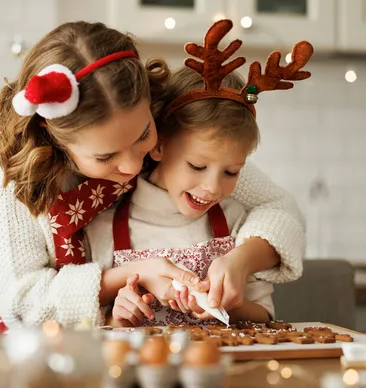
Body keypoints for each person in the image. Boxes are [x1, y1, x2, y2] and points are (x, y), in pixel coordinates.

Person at [0, 21, 306, 333]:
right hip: (5, 341)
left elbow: (278, 206)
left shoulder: (168, 138)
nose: (130, 166)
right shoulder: (7, 165)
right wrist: (132, 274)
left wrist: (242, 259)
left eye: (143, 136)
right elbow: (20, 302)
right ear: (53, 135)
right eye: (105, 156)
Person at [85, 19, 313, 327]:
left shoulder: (235, 221)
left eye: (231, 172)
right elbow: (94, 328)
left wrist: (229, 304)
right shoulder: (103, 226)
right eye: (197, 166)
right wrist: (118, 317)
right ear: (158, 145)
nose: (212, 188)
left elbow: (265, 315)